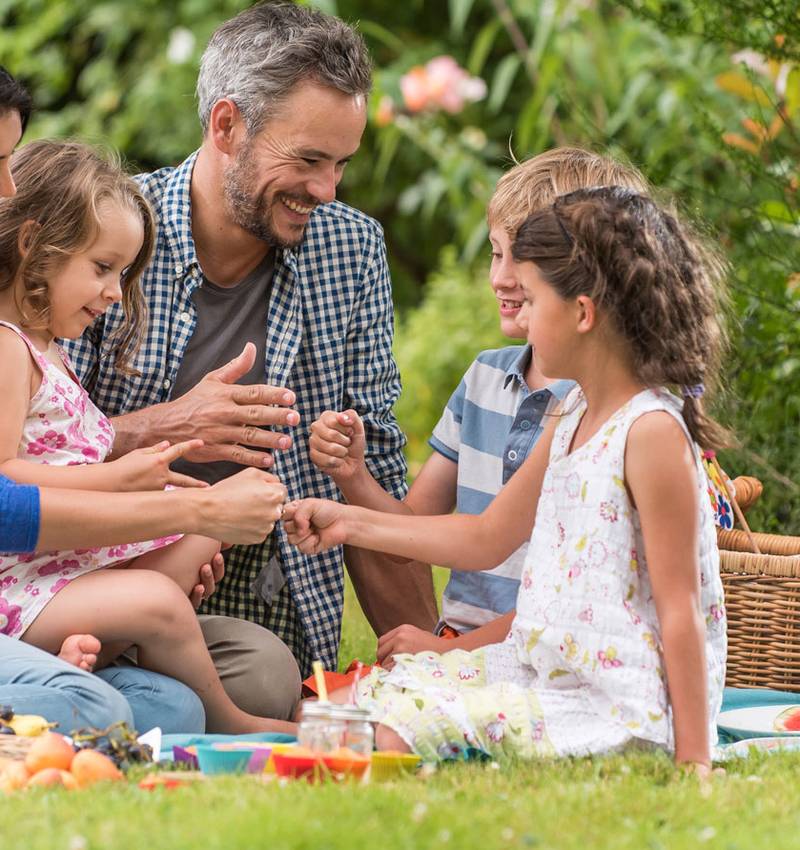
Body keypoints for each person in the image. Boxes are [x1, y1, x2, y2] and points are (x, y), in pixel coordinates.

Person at [285, 187, 728, 774]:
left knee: (371, 739)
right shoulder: (574, 414)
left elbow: (680, 610)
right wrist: (348, 520)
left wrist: (693, 759)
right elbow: (485, 536)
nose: (522, 313)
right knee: (332, 710)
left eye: (535, 298)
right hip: (539, 668)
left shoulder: (648, 432)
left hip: (613, 708)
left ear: (582, 313)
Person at [64, 1, 437, 678]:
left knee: (266, 681)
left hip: (260, 605)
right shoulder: (103, 238)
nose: (326, 189)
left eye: (342, 164)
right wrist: (168, 427)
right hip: (92, 582)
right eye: (309, 159)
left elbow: (373, 475)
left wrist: (434, 667)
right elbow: (34, 452)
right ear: (227, 125)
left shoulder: (351, 250)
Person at [310, 149, 650, 667]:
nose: (502, 278)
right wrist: (353, 477)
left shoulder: (602, 413)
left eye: (524, 261)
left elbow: (569, 602)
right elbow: (411, 538)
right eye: (496, 253)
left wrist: (448, 654)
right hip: (463, 645)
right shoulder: (485, 380)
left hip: (544, 652)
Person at [0, 139, 294, 735]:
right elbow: (6, 478)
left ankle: (86, 663)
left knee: (200, 534)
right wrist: (119, 478)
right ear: (33, 245)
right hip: (18, 584)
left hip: (62, 570)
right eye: (102, 268)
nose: (114, 292)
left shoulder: (50, 352)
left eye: (124, 273)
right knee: (158, 601)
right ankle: (230, 721)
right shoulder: (7, 348)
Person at [0, 467, 290, 734]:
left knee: (181, 707)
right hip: (19, 590)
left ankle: (82, 665)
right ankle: (228, 723)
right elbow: (10, 498)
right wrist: (198, 505)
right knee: (105, 705)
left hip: (57, 575)